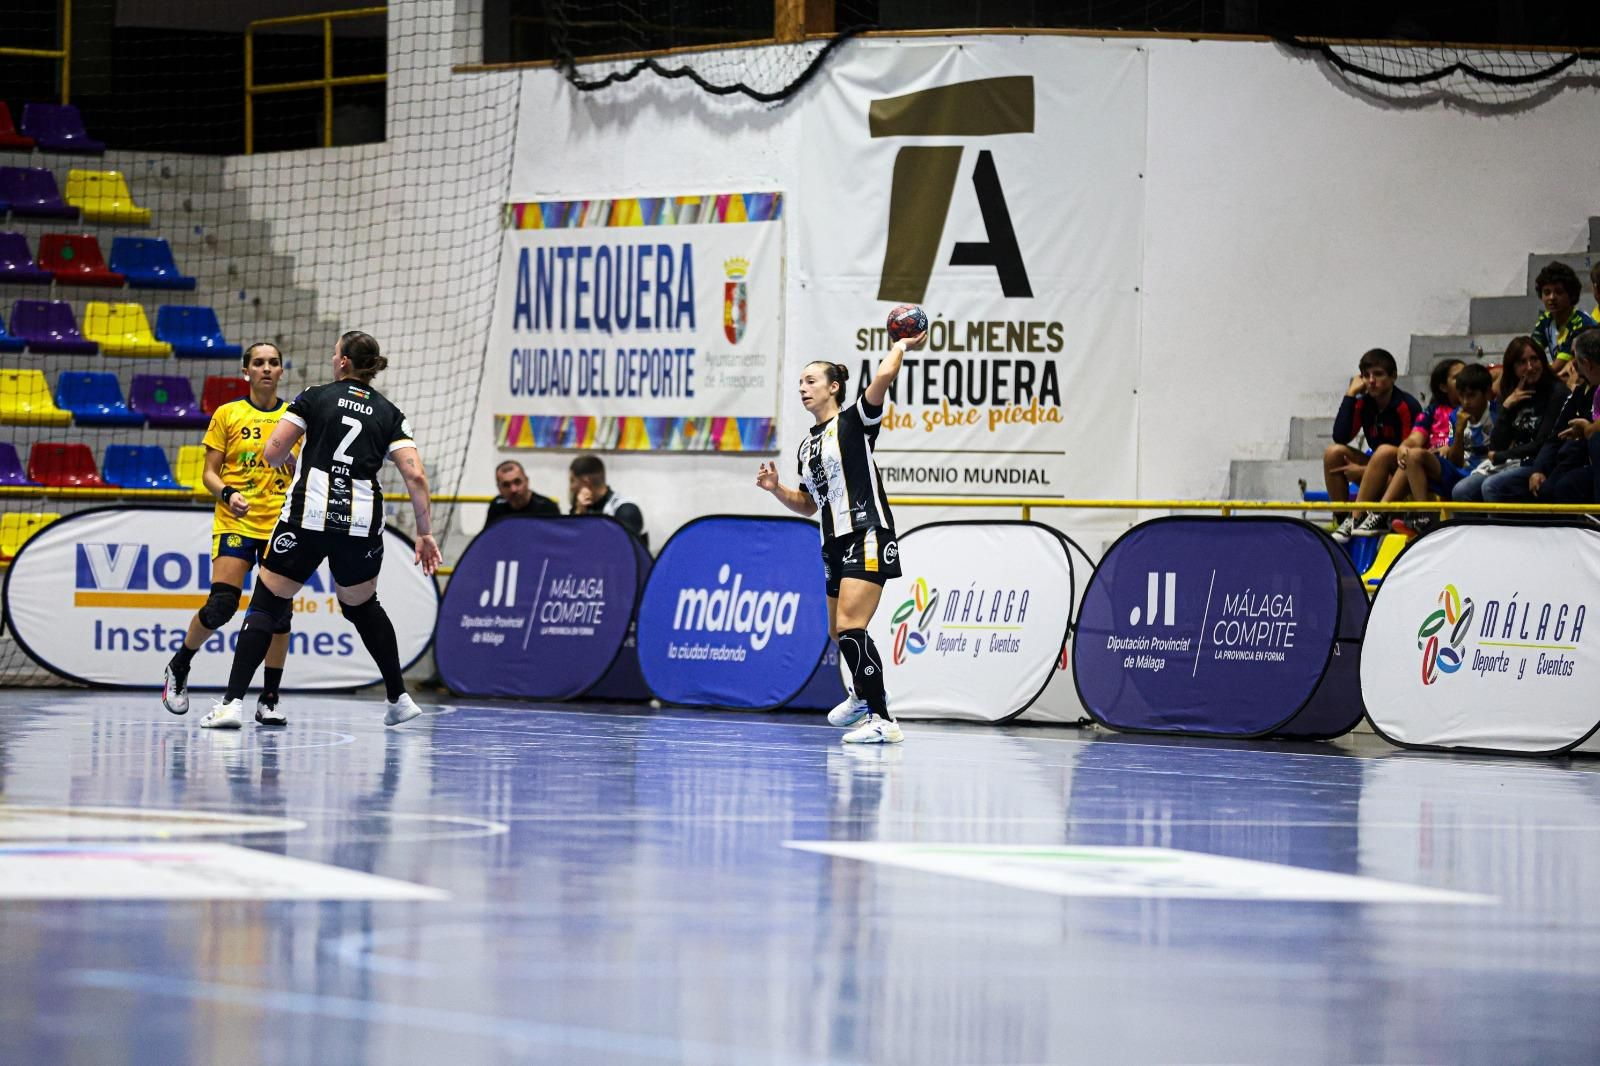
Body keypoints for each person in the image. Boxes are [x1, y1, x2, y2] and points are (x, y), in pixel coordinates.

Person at [201, 330, 442, 729]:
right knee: (362, 607)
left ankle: (231, 704)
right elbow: (415, 476)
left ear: (344, 362)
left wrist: (293, 461)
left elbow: (274, 451)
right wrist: (425, 533)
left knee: (266, 602)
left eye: (335, 354)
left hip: (307, 515)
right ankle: (398, 696)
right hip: (361, 524)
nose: (333, 359)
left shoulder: (316, 395)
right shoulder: (390, 413)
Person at [755, 328, 926, 744]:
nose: (802, 388)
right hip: (832, 541)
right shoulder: (806, 446)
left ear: (834, 387)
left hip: (867, 531)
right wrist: (777, 490)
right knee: (838, 631)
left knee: (852, 625)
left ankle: (881, 717)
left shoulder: (854, 422)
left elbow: (882, 379)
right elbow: (809, 504)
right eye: (799, 383)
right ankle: (861, 692)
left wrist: (901, 344)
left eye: (811, 381)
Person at [162, 342, 299, 725]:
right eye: (259, 363)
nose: (267, 368)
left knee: (279, 615)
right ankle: (179, 665)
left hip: (280, 524)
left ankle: (269, 697)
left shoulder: (295, 417)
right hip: (236, 520)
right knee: (222, 606)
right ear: (246, 372)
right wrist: (227, 493)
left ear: (281, 371)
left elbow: (304, 470)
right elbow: (209, 472)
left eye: (273, 363)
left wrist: (294, 463)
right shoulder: (228, 413)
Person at [1353, 357, 1462, 539]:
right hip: (1426, 465)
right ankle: (1357, 516)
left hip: (1452, 467)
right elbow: (1415, 437)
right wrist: (1404, 446)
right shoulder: (1433, 411)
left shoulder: (1473, 410)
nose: (1464, 380)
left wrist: (1449, 447)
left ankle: (1410, 514)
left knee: (1414, 456)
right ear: (1443, 387)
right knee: (1389, 451)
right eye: (1458, 377)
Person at [1454, 336, 1569, 504]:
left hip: (1541, 464)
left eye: (1534, 359)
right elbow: (1496, 444)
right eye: (1522, 362)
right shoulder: (1511, 392)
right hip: (1514, 462)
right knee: (1461, 491)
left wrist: (1503, 455)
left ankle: (1504, 530)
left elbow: (1543, 443)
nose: (1530, 367)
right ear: (1512, 368)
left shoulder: (1557, 392)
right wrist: (1507, 408)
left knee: (1492, 486)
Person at [1325, 348, 1421, 543]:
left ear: (1393, 376)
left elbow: (1408, 453)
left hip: (1402, 474)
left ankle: (1356, 517)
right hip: (1378, 468)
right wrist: (1350, 394)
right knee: (1333, 453)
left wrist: (1364, 471)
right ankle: (1343, 519)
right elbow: (1340, 436)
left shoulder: (1406, 405)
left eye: (1378, 374)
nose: (1371, 381)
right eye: (1366, 375)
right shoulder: (1364, 403)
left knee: (1384, 451)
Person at [1389, 363, 1495, 536]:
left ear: (1487, 393)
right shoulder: (1455, 416)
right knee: (1413, 455)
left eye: (1472, 396)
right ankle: (1423, 516)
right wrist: (1459, 432)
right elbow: (1456, 462)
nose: (1466, 402)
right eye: (1462, 396)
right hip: (1462, 470)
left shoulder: (1497, 413)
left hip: (1487, 470)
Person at [1528, 329, 1600, 504]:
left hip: (1582, 462)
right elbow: (1555, 436)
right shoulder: (1583, 391)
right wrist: (1538, 469)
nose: (1571, 364)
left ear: (1586, 363)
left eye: (1574, 357)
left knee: (1565, 486)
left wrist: (1588, 430)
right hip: (1566, 461)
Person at [1530, 261, 1595, 387]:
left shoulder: (1581, 323)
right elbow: (1530, 351)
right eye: (1547, 292)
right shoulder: (1545, 320)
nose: (1552, 297)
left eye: (1558, 292)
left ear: (1571, 295)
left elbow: (1556, 368)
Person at [569, 454, 647, 547]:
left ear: (586, 482)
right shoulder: (582, 507)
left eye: (572, 481)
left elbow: (618, 550)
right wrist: (579, 513)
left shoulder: (625, 510)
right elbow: (571, 544)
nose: (571, 488)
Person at [485, 459, 560, 526]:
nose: (513, 489)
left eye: (517, 482)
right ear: (499, 488)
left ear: (526, 481)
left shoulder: (547, 507)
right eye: (506, 485)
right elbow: (488, 538)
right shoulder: (497, 505)